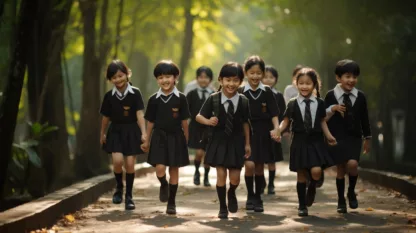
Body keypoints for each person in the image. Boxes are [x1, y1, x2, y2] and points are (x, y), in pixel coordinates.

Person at [196, 62, 251, 219]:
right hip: (218, 142)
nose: (231, 84)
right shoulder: (213, 99)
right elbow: (198, 116)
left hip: (236, 142)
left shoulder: (243, 101)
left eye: (235, 80)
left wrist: (247, 144)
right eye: (227, 80)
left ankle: (231, 192)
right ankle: (222, 207)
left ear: (240, 82)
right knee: (221, 175)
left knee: (234, 178)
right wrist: (208, 121)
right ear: (220, 80)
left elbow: (246, 123)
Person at [278, 67, 336, 217]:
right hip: (299, 141)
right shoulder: (292, 103)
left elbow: (323, 121)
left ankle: (312, 187)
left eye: (308, 83)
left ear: (315, 85)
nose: (304, 86)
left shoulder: (320, 103)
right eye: (301, 83)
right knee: (301, 173)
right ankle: (302, 205)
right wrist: (277, 131)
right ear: (296, 84)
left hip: (316, 141)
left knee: (316, 171)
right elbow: (285, 122)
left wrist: (329, 136)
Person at [141, 60, 191, 215]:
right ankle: (163, 184)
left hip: (176, 137)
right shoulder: (153, 99)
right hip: (159, 136)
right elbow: (150, 121)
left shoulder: (181, 98)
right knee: (160, 168)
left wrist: (186, 140)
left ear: (175, 77)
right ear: (157, 79)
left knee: (174, 169)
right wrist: (146, 140)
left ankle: (172, 202)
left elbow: (184, 121)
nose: (165, 80)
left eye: (168, 76)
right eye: (161, 77)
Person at [325, 59, 371, 213]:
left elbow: (364, 118)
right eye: (347, 76)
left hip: (354, 137)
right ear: (338, 78)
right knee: (340, 168)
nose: (351, 80)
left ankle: (351, 191)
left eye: (354, 77)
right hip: (337, 136)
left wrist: (368, 138)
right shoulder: (331, 95)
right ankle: (340, 200)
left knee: (352, 164)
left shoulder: (360, 97)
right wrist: (333, 109)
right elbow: (323, 117)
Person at [100, 60, 146, 210]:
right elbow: (105, 117)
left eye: (120, 76)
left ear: (127, 75)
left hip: (132, 130)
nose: (118, 80)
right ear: (110, 80)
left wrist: (144, 133)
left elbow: (140, 114)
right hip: (116, 131)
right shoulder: (109, 96)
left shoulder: (135, 93)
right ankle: (119, 187)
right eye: (114, 78)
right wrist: (102, 134)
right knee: (118, 161)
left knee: (131, 164)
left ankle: (129, 196)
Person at [239, 55, 280, 213]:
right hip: (246, 133)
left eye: (258, 73)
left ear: (262, 73)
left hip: (263, 133)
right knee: (249, 165)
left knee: (259, 167)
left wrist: (276, 128)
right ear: (246, 72)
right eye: (252, 73)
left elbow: (274, 114)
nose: (255, 76)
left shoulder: (267, 91)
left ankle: (258, 197)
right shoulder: (241, 91)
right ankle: (250, 195)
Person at [186, 66, 214, 187]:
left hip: (210, 128)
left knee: (208, 154)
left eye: (206, 77)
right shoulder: (191, 94)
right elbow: (186, 112)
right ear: (197, 79)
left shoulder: (214, 95)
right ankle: (197, 171)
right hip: (196, 127)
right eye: (201, 77)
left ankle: (206, 176)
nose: (203, 80)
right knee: (199, 152)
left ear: (210, 79)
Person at [262, 65, 286, 195]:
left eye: (271, 77)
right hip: (260, 130)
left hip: (274, 131)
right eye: (265, 77)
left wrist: (281, 130)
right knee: (259, 160)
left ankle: (271, 184)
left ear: (276, 79)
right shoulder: (258, 94)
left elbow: (283, 115)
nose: (268, 79)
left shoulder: (278, 96)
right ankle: (261, 182)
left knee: (271, 159)